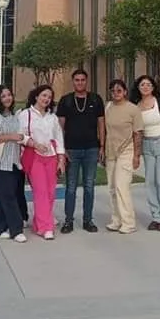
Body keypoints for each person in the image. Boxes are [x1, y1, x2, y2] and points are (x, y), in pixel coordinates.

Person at [56, 68, 105, 234]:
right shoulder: (66, 101)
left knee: (89, 186)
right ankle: (68, 221)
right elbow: (60, 127)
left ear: (87, 81)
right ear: (73, 82)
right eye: (77, 80)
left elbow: (101, 124)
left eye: (82, 80)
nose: (80, 82)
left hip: (91, 148)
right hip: (71, 150)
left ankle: (87, 220)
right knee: (70, 187)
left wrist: (102, 146)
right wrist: (62, 150)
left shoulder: (96, 99)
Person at [130, 75, 160, 231]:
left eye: (148, 84)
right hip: (147, 145)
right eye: (142, 84)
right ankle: (156, 217)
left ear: (153, 87)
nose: (145, 87)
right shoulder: (136, 106)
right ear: (138, 87)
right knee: (150, 182)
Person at [20, 85, 66, 240]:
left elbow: (59, 138)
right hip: (34, 156)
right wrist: (34, 144)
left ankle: (40, 222)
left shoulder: (52, 117)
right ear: (36, 96)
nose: (46, 99)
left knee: (50, 192)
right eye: (44, 95)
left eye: (49, 97)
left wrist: (61, 159)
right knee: (40, 192)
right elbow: (20, 135)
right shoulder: (25, 114)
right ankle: (46, 227)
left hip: (51, 157)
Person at [0, 85, 28, 243]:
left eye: (9, 95)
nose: (7, 98)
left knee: (3, 195)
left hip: (14, 162)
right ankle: (16, 230)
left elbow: (20, 136)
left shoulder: (14, 116)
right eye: (3, 96)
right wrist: (11, 136)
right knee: (9, 196)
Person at [103, 78, 144, 234]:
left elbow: (138, 133)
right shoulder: (108, 107)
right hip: (111, 151)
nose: (116, 93)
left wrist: (137, 155)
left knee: (122, 186)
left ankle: (128, 222)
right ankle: (116, 219)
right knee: (112, 188)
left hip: (127, 151)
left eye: (119, 90)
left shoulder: (133, 109)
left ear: (125, 92)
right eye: (113, 91)